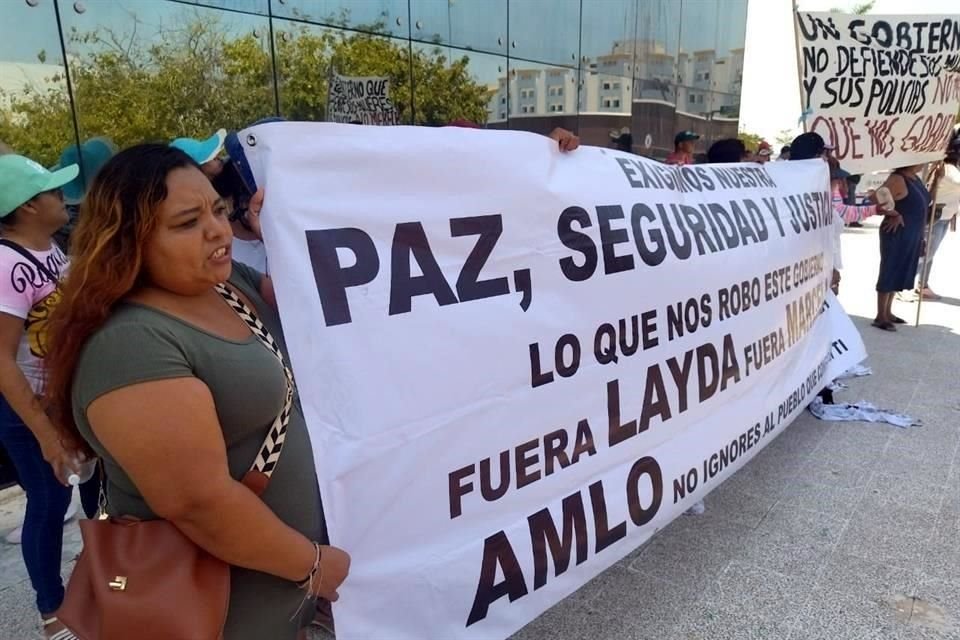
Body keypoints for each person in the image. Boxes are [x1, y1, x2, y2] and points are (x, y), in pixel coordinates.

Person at [43, 145, 350, 640]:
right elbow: (198, 503)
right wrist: (312, 565)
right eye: (187, 222)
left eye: (219, 211)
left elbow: (326, 296)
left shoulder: (228, 286)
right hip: (211, 615)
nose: (217, 230)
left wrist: (289, 226)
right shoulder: (132, 343)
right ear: (129, 240)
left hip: (277, 603)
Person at [0, 154, 100, 640]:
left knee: (85, 488)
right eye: (51, 192)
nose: (63, 198)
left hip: (63, 398)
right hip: (30, 410)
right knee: (47, 497)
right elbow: (1, 357)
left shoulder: (50, 249)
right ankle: (51, 608)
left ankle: (97, 570)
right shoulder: (5, 263)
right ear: (24, 207)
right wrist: (44, 432)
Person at [874, 164, 930, 330]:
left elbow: (926, 201)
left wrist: (936, 182)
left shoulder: (915, 178)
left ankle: (888, 311)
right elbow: (874, 200)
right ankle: (880, 315)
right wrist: (893, 213)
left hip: (913, 231)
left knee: (900, 269)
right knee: (890, 268)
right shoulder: (897, 178)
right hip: (897, 231)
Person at [916, 142, 960, 300]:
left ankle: (923, 285)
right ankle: (906, 284)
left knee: (930, 254)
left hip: (944, 216)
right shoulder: (948, 169)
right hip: (936, 217)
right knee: (926, 253)